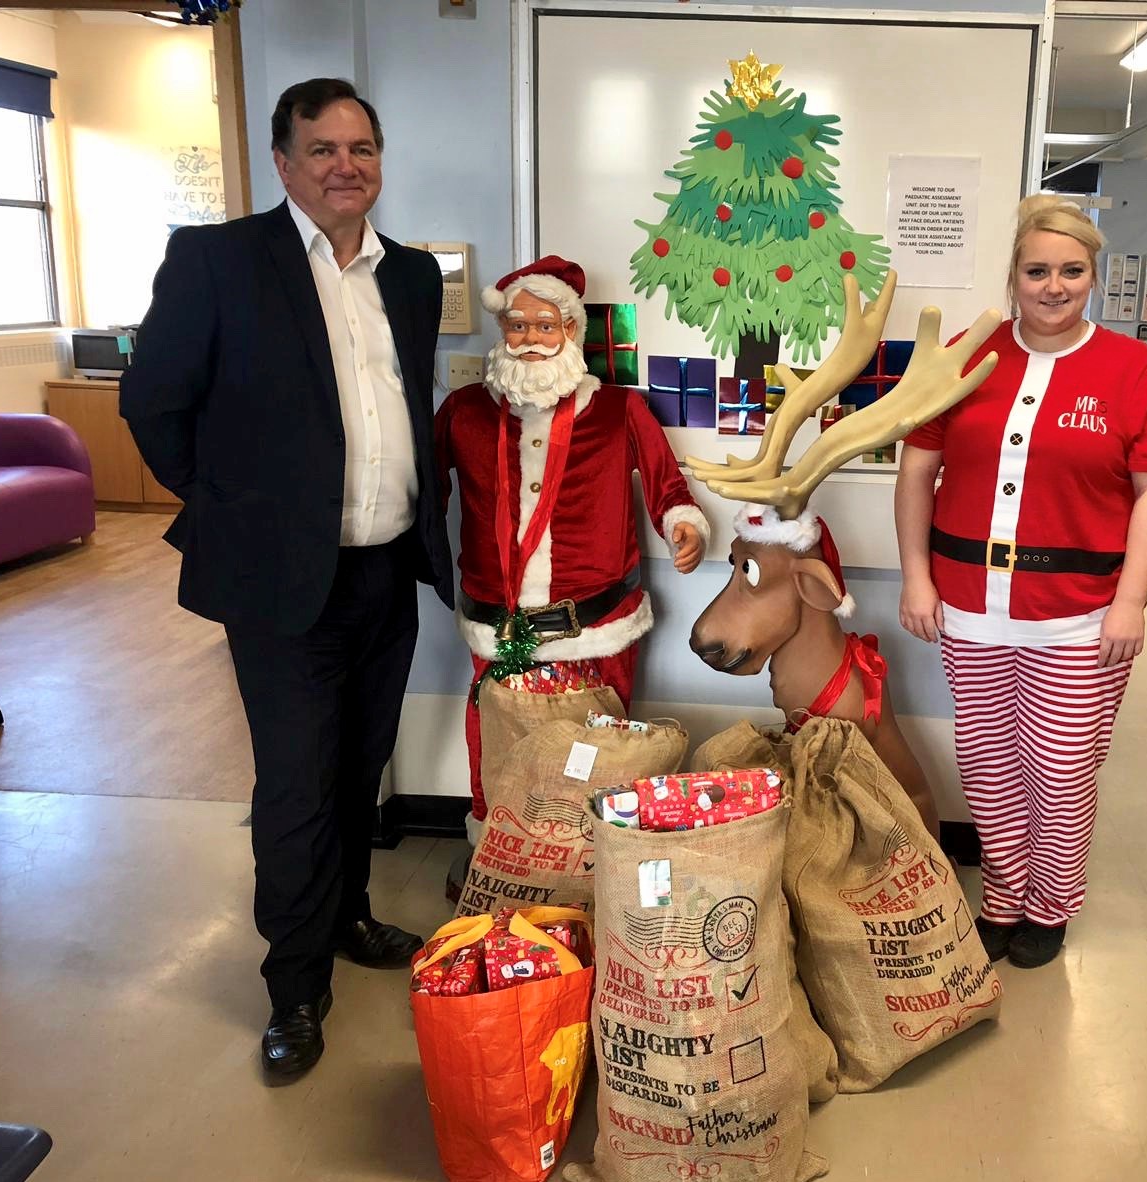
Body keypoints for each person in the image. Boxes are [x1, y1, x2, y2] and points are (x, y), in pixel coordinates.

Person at [121, 78, 454, 1080]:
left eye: (361, 148)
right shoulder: (220, 260)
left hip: (386, 566)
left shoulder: (412, 275)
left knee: (362, 765)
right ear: (282, 161)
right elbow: (154, 404)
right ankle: (295, 984)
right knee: (298, 783)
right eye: (322, 149)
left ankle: (348, 911)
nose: (344, 166)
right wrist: (234, 507)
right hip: (278, 583)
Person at [896, 197, 1147, 969]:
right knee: (988, 769)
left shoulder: (1131, 369)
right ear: (1014, 275)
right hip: (970, 607)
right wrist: (917, 580)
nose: (1053, 286)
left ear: (1093, 275)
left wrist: (1132, 597)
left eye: (1071, 271)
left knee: (1060, 774)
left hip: (1079, 614)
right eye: (1037, 271)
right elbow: (918, 469)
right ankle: (1002, 895)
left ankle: (1051, 907)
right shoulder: (968, 353)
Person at [434, 256, 707, 833]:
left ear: (572, 332)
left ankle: (586, 865)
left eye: (546, 325)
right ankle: (499, 859)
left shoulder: (619, 411)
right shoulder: (463, 412)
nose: (531, 338)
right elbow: (428, 495)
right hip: (496, 623)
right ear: (501, 330)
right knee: (498, 752)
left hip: (597, 627)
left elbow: (667, 484)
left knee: (598, 758)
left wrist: (682, 523)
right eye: (518, 324)